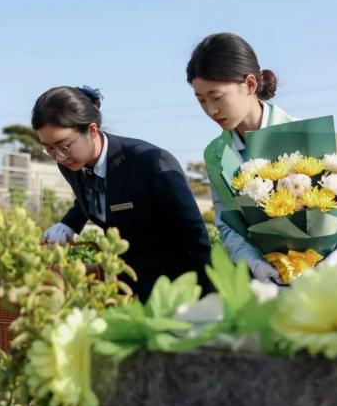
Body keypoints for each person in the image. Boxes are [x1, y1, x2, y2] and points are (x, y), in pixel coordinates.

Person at [186, 32, 337, 283]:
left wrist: (333, 263)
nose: (211, 109)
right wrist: (255, 264)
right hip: (266, 284)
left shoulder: (308, 136)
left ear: (250, 84)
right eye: (201, 100)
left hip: (331, 281)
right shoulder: (216, 155)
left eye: (217, 97)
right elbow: (227, 225)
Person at [33, 85, 211, 301]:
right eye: (49, 149)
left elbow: (194, 237)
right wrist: (69, 223)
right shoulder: (72, 164)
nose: (59, 157)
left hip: (172, 287)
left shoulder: (150, 163)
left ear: (91, 130)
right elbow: (94, 194)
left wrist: (206, 299)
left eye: (63, 146)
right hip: (124, 285)